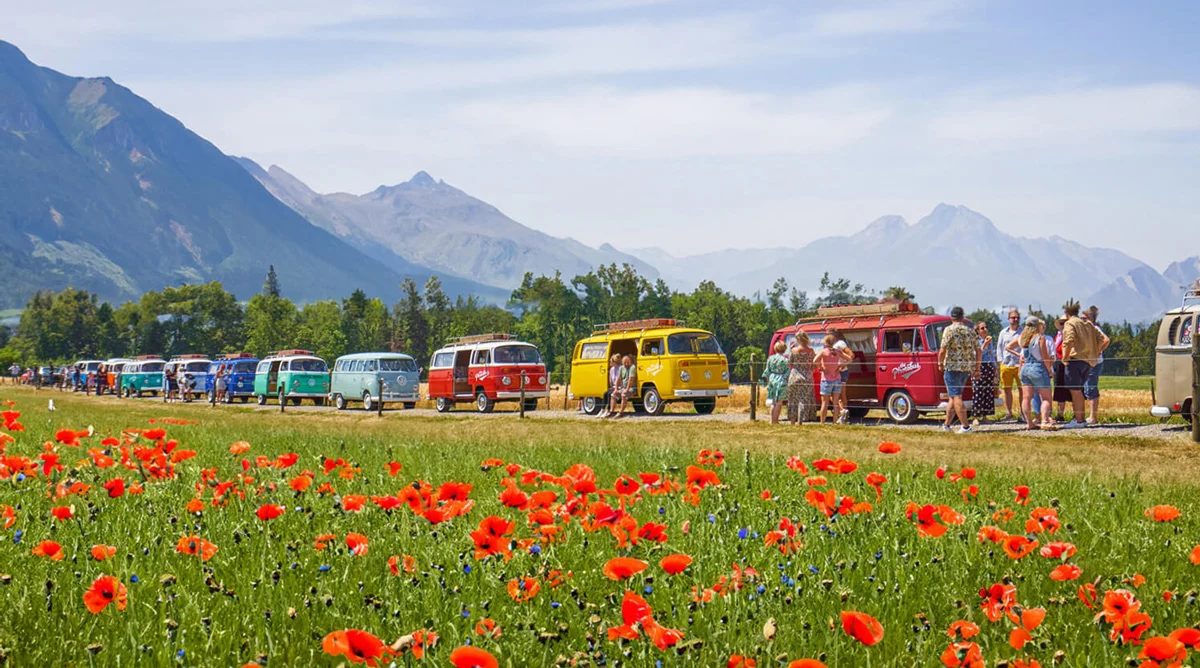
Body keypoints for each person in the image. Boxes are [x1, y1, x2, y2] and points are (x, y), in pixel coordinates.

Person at [1007, 316, 1058, 430]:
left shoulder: (1021, 338)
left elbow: (1009, 347)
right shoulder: (1040, 338)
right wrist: (1049, 369)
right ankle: (1045, 420)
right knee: (1046, 398)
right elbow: (1045, 357)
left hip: (1025, 369)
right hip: (1038, 368)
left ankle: (1029, 422)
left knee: (1026, 398)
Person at [937, 306, 980, 433]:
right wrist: (976, 367)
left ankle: (965, 426)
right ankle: (947, 425)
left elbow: (943, 350)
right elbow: (978, 350)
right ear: (962, 317)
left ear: (952, 317)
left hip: (952, 367)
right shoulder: (970, 331)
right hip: (966, 368)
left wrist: (940, 364)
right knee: (953, 396)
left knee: (956, 396)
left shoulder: (949, 330)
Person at [1060, 302, 1102, 429]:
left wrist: (1065, 357)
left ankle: (1078, 420)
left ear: (1067, 313)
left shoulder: (1070, 323)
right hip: (1087, 361)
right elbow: (1101, 338)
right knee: (1079, 391)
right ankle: (1080, 418)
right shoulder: (1087, 324)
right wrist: (1094, 351)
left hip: (1075, 360)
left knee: (1075, 391)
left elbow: (1068, 340)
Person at [1082, 305, 1111, 425]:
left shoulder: (1094, 329)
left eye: (1084, 319)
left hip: (1094, 362)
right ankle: (1091, 415)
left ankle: (1093, 416)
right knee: (1088, 387)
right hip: (1090, 362)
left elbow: (1106, 340)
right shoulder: (1090, 330)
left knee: (1091, 387)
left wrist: (1097, 351)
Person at [996, 308, 1023, 421]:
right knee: (1007, 390)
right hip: (1006, 364)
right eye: (1013, 317)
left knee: (1022, 390)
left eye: (1017, 317)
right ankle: (1009, 413)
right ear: (1008, 319)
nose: (1015, 319)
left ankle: (1023, 413)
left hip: (1019, 364)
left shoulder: (1023, 332)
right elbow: (999, 348)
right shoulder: (1003, 332)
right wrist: (1000, 362)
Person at [786, 330, 816, 425]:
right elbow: (814, 364)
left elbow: (789, 363)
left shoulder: (794, 350)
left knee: (793, 399)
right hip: (807, 376)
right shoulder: (811, 351)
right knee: (804, 399)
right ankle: (800, 420)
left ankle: (792, 421)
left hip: (795, 375)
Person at [971, 321, 997, 426]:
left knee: (988, 391)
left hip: (988, 366)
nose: (985, 329)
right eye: (982, 328)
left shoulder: (990, 341)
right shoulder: (975, 341)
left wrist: (995, 367)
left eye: (986, 327)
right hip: (979, 367)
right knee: (978, 391)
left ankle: (985, 416)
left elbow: (992, 354)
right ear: (977, 331)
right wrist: (985, 345)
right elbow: (976, 354)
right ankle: (975, 417)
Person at [827, 328, 855, 424]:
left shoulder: (840, 344)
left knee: (835, 394)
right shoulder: (836, 344)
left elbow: (851, 355)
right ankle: (844, 413)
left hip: (840, 371)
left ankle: (842, 411)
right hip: (840, 371)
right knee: (841, 394)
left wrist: (843, 364)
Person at [815, 335, 844, 425]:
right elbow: (849, 359)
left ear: (825, 342)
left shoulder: (823, 352)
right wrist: (840, 366)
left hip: (826, 379)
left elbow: (814, 361)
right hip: (837, 378)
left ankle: (822, 422)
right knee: (835, 402)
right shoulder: (838, 352)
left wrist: (821, 368)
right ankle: (834, 421)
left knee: (825, 402)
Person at [761, 340, 790, 424]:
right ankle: (776, 420)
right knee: (779, 402)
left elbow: (767, 371)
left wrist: (768, 382)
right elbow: (787, 372)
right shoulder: (785, 360)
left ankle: (771, 420)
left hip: (772, 378)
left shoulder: (770, 358)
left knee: (773, 402)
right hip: (781, 379)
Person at [1050, 316, 1070, 420]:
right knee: (1059, 387)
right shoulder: (1058, 336)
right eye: (1062, 324)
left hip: (1067, 360)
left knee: (1072, 387)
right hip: (1058, 361)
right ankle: (1060, 414)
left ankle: (1077, 413)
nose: (1063, 326)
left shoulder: (1070, 336)